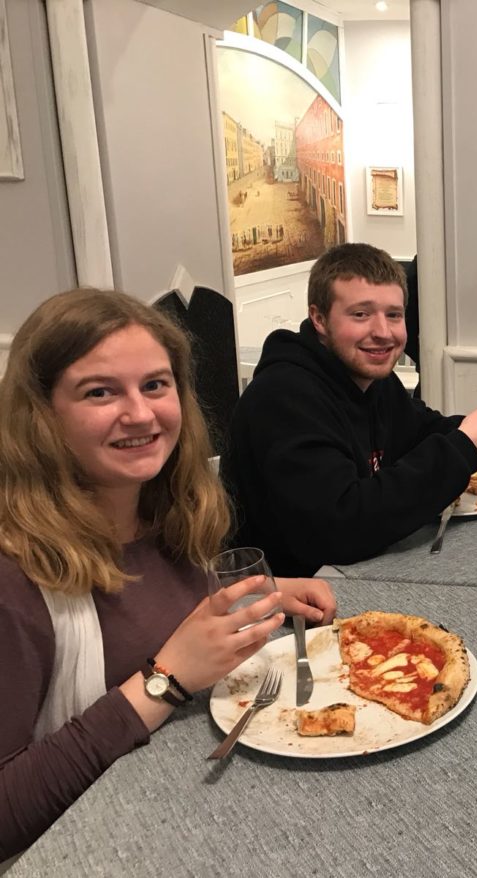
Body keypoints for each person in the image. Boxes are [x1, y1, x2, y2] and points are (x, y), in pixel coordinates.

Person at [0, 289, 336, 860]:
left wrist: (263, 595)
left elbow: (162, 617)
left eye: (156, 385)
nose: (140, 413)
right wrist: (164, 681)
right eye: (100, 392)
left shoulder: (166, 512)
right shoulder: (13, 577)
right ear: (42, 414)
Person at [224, 243, 477, 576]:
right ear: (319, 319)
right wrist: (465, 446)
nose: (383, 333)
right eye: (361, 314)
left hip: (364, 570)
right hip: (286, 602)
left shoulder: (371, 379)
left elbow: (419, 430)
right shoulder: (283, 397)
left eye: (393, 315)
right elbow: (341, 527)